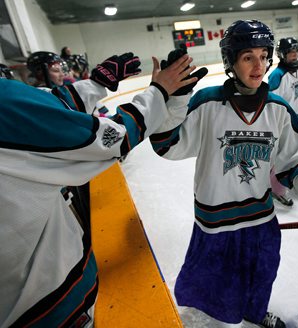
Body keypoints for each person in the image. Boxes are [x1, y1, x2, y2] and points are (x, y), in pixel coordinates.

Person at [150, 20, 298, 328]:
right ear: (231, 61)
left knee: (263, 268)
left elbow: (295, 160)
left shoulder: (278, 108)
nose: (259, 65)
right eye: (248, 56)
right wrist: (177, 99)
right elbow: (168, 146)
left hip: (260, 216)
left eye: (264, 56)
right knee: (215, 278)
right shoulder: (207, 103)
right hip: (215, 219)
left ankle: (254, 309)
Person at [0, 51, 201, 328]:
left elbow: (52, 105)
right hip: (45, 302)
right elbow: (110, 139)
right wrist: (159, 91)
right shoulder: (5, 104)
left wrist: (97, 82)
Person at [267, 37, 298, 206]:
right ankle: (276, 189)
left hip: (296, 120)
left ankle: (291, 180)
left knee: (296, 154)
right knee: (279, 157)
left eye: (296, 51)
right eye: (290, 52)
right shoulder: (277, 75)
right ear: (282, 55)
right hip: (282, 123)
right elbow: (271, 102)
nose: (295, 55)